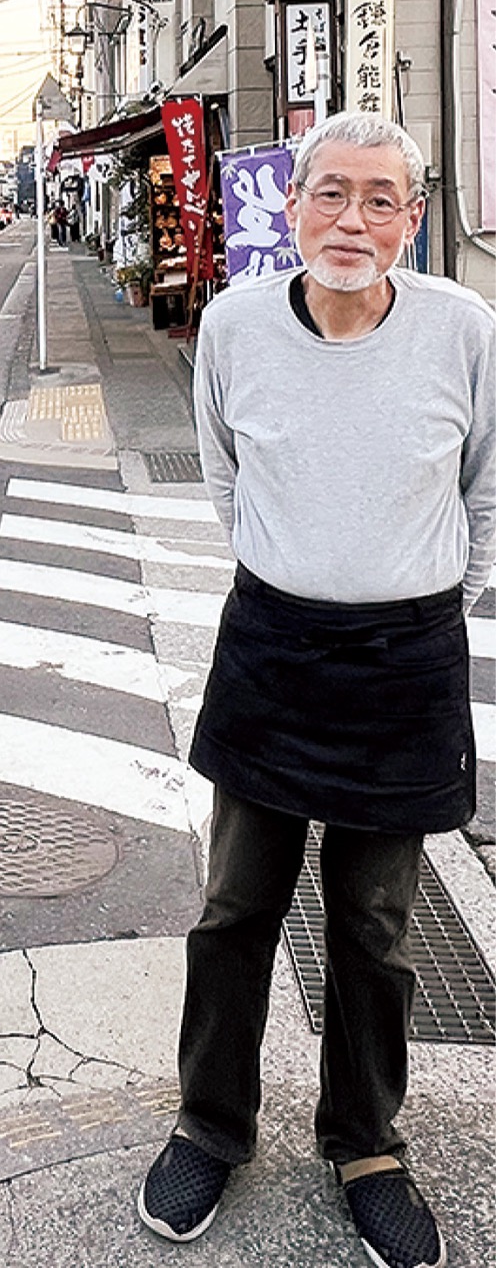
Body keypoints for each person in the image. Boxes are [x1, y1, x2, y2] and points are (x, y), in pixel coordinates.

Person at [137, 112, 495, 1268]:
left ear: (414, 216)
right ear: (289, 210)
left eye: (381, 198)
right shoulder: (237, 322)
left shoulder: (464, 328)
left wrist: (425, 594)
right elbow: (227, 477)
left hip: (409, 656)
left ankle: (366, 1139)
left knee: (377, 925)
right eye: (330, 194)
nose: (354, 219)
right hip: (273, 649)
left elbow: (485, 491)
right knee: (236, 905)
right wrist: (302, 568)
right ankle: (211, 1121)